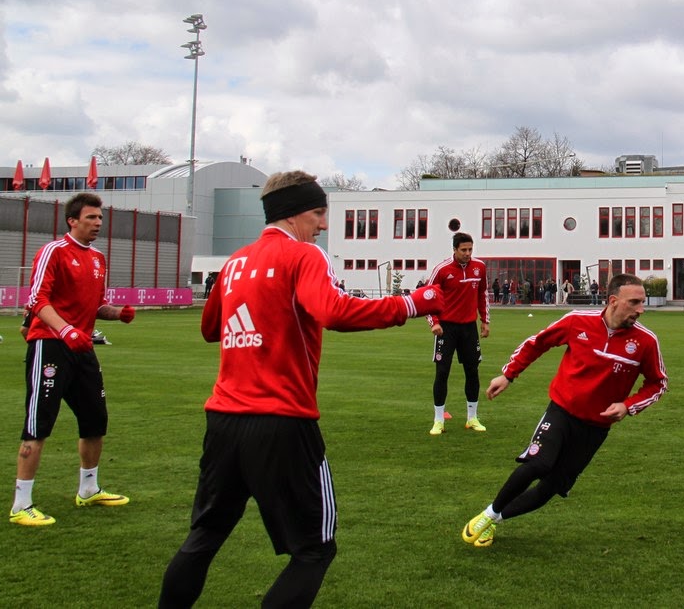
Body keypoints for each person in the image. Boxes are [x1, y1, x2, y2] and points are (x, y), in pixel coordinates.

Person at [157, 171, 444, 608]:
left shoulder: (234, 263)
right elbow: (333, 310)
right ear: (293, 213)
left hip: (223, 420)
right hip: (282, 421)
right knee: (315, 549)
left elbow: (210, 328)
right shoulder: (304, 256)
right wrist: (411, 303)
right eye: (318, 213)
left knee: (206, 535)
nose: (324, 225)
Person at [460, 273, 667, 549]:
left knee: (550, 488)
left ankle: (493, 519)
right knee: (539, 464)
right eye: (635, 302)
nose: (641, 309)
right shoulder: (576, 321)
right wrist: (508, 375)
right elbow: (538, 343)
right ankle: (488, 514)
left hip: (595, 428)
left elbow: (658, 384)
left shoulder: (645, 342)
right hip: (561, 411)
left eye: (642, 302)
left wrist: (627, 406)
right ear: (614, 301)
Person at [10, 193, 136, 528]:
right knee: (39, 423)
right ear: (73, 220)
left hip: (81, 348)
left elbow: (96, 307)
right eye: (92, 218)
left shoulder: (97, 259)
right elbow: (38, 299)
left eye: (99, 218)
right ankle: (21, 504)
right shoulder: (54, 252)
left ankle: (89, 488)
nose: (98, 224)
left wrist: (117, 313)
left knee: (95, 418)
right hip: (50, 345)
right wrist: (65, 331)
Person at [426, 232, 490, 436]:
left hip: (469, 328)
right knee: (442, 372)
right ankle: (438, 420)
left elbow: (483, 294)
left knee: (472, 372)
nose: (468, 254)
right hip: (446, 328)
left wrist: (485, 320)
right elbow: (428, 297)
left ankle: (472, 418)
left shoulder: (479, 267)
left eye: (470, 249)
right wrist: (434, 323)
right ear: (454, 249)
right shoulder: (442, 270)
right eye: (463, 250)